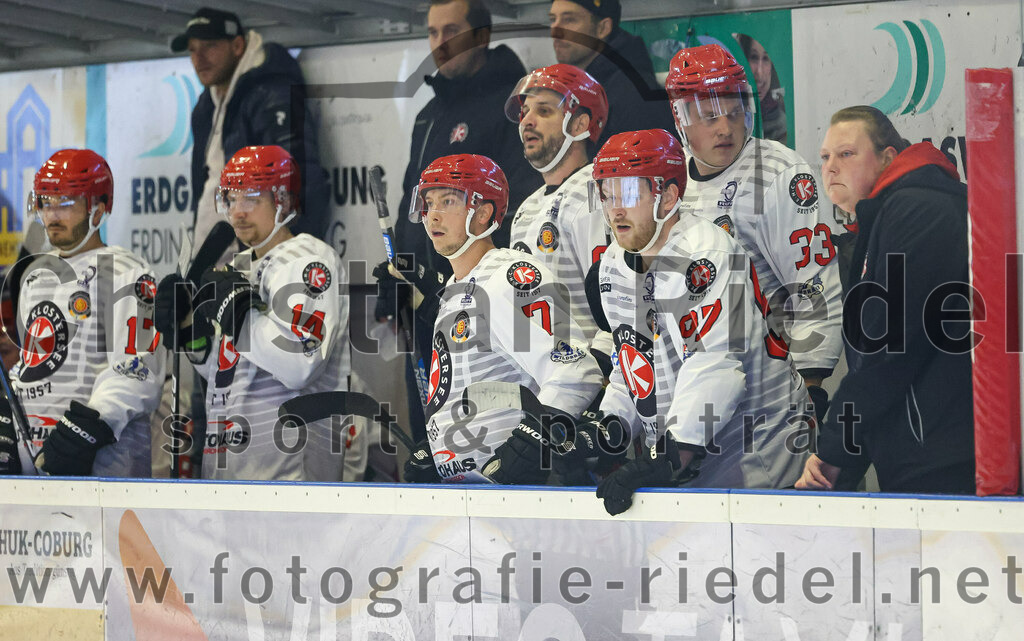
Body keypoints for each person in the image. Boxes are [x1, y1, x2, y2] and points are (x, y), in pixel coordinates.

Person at [564, 129, 810, 515]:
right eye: (607, 193)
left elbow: (714, 366)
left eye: (628, 193)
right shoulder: (613, 262)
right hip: (695, 464)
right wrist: (609, 426)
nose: (615, 209)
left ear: (668, 196)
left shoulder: (704, 254)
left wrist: (670, 454)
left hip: (761, 461)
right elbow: (631, 361)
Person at [796, 106, 974, 494]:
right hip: (920, 450)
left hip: (943, 459)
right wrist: (848, 457)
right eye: (825, 157)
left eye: (846, 154)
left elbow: (888, 351)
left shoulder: (918, 209)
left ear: (888, 158)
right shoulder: (887, 214)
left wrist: (834, 449)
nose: (830, 168)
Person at [388, 0, 542, 443]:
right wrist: (396, 279)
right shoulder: (429, 114)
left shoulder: (511, 106)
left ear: (481, 35)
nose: (439, 43)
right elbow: (409, 203)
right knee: (429, 432)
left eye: (450, 31)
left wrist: (459, 276)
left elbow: (513, 203)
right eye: (433, 33)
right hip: (424, 300)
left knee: (477, 426)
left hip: (479, 297)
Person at [398, 154, 602, 484]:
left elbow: (576, 370)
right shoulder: (455, 288)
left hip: (521, 498)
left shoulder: (508, 276)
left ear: (483, 213)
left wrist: (530, 443)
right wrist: (438, 446)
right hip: (474, 500)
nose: (432, 215)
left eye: (448, 201)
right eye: (427, 202)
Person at [155, 146, 350, 481]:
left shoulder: (306, 258)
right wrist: (190, 329)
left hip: (288, 478)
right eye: (231, 199)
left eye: (251, 199)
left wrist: (241, 317)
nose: (237, 212)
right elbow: (225, 368)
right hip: (231, 466)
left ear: (284, 202)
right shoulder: (238, 267)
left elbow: (299, 363)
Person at [665, 44, 843, 403]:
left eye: (734, 113)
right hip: (688, 383)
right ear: (680, 119)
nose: (725, 128)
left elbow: (813, 285)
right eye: (710, 117)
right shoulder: (669, 179)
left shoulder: (778, 171)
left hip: (766, 387)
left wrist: (810, 386)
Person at [7, 149, 165, 477]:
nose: (52, 215)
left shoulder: (126, 270)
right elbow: (33, 364)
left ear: (99, 209)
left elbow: (139, 368)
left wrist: (85, 428)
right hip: (35, 467)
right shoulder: (36, 275)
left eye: (66, 203)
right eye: (46, 202)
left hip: (104, 471)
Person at [171, 7, 330, 252]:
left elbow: (301, 179)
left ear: (237, 46)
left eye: (209, 46)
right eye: (193, 50)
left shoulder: (271, 94)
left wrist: (291, 255)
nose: (199, 58)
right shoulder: (206, 105)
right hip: (217, 256)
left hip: (257, 257)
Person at [503, 64, 612, 371]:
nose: (527, 121)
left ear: (579, 124)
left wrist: (601, 368)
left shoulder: (595, 191)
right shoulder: (526, 209)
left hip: (594, 381)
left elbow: (616, 300)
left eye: (544, 111)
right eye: (524, 112)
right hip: (547, 381)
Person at [548, 0, 675, 150]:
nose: (556, 30)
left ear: (603, 28)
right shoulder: (586, 87)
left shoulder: (632, 91)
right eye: (552, 20)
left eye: (569, 20)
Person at [735, 34, 787, 146]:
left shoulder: (780, 125)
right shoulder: (729, 116)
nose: (759, 71)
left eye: (766, 59)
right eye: (753, 57)